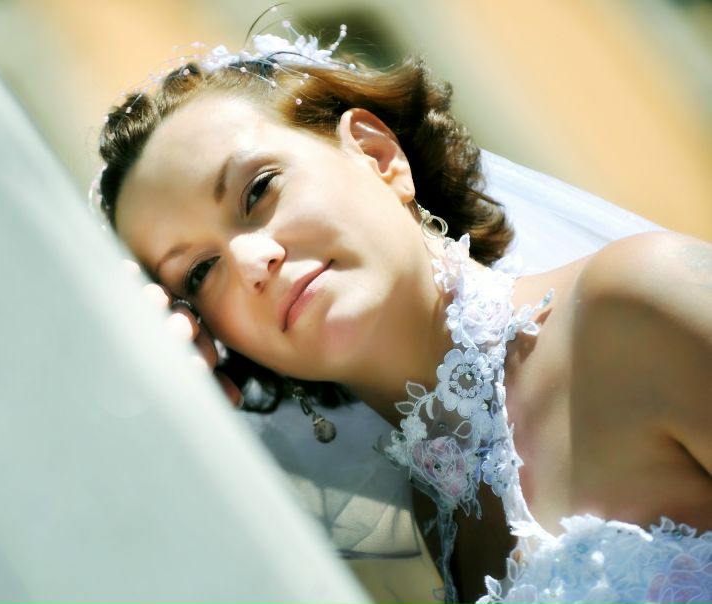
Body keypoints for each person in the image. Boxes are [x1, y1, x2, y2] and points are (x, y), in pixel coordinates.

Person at [92, 24, 712, 604]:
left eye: (258, 190)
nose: (253, 261)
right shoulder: (433, 519)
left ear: (376, 154)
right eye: (200, 271)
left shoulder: (636, 304)